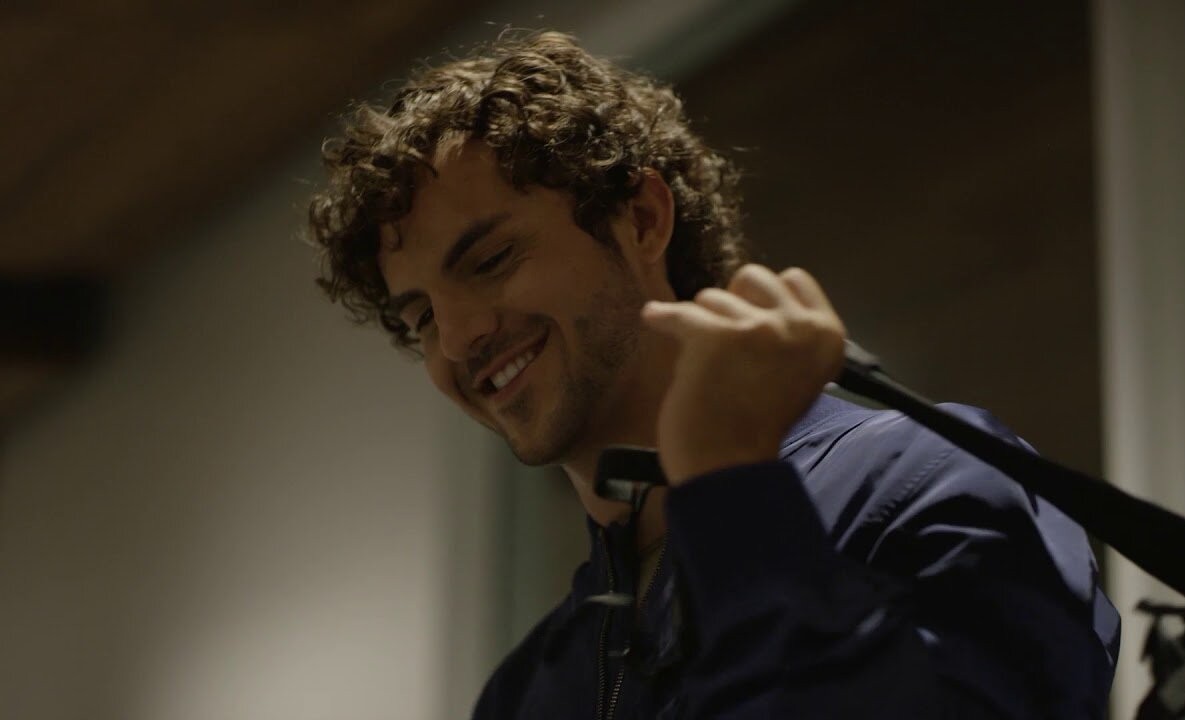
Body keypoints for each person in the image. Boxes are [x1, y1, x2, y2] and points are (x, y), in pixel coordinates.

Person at [308, 30, 1120, 719]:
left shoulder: (925, 481)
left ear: (641, 219)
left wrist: (732, 488)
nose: (457, 339)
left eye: (491, 260)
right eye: (420, 318)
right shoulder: (526, 693)